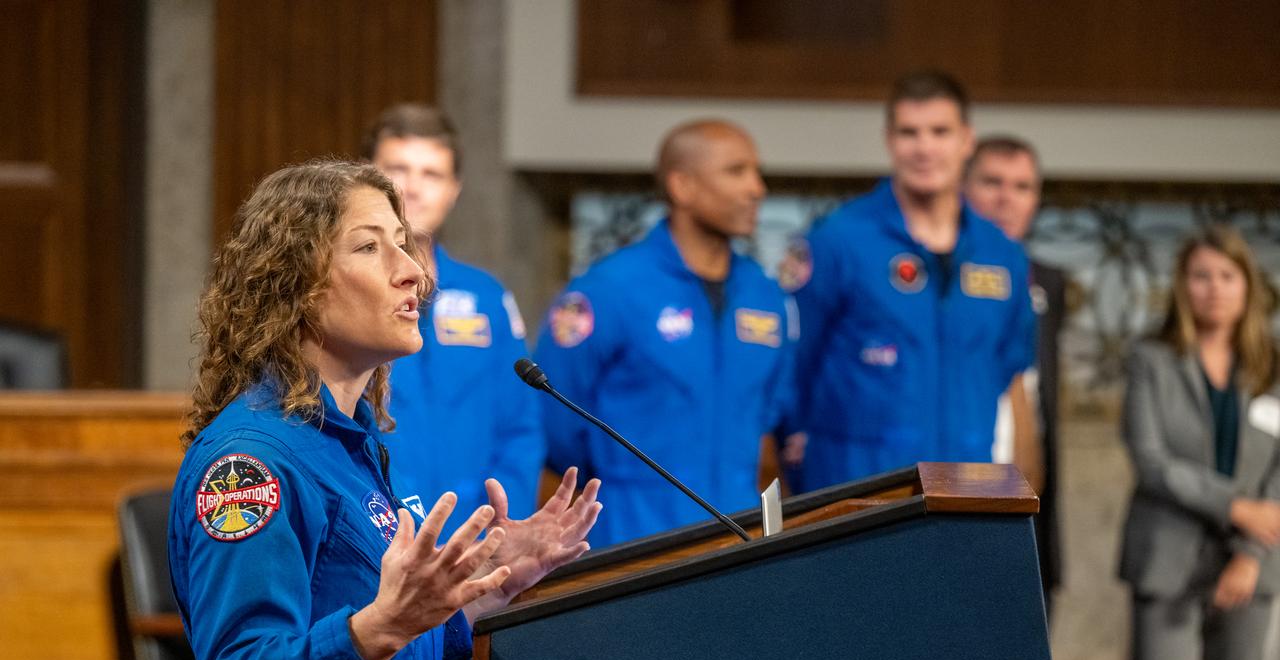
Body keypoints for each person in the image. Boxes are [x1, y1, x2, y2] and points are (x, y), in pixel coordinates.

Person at [167, 159, 601, 660]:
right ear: (296, 284)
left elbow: (385, 639)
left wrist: (475, 598)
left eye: (403, 242)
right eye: (371, 246)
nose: (412, 271)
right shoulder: (251, 464)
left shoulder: (351, 443)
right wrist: (380, 625)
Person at [533, 119, 793, 547]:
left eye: (756, 172)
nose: (757, 188)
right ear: (682, 186)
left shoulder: (765, 295)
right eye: (736, 171)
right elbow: (556, 426)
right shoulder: (609, 289)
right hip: (631, 546)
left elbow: (770, 416)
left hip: (740, 543)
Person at [782, 71, 1036, 491]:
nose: (924, 148)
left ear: (966, 140)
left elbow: (1008, 368)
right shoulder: (837, 240)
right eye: (909, 133)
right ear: (889, 140)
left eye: (940, 131)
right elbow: (793, 367)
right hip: (854, 491)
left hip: (964, 489)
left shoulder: (1002, 255)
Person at [1120, 225, 1280, 660]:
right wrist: (1235, 506)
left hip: (1252, 568)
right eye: (1200, 276)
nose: (1213, 289)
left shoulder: (1273, 365)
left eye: (1227, 276)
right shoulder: (1151, 359)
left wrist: (1249, 550)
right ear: (1183, 287)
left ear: (1248, 286)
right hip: (1165, 560)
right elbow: (1152, 461)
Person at [363, 103, 543, 528]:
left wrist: (500, 534)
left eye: (432, 175)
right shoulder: (340, 292)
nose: (413, 188)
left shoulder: (487, 297)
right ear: (365, 180)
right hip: (377, 545)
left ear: (455, 189)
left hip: (476, 543)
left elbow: (520, 430)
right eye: (398, 169)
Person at [964, 134, 1067, 617]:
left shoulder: (1047, 281)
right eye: (993, 183)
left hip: (1026, 510)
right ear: (963, 187)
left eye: (1022, 186)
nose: (1007, 198)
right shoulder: (928, 273)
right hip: (949, 497)